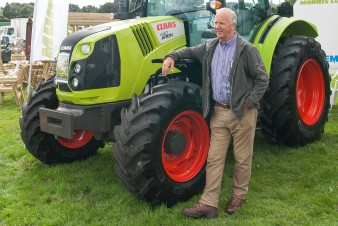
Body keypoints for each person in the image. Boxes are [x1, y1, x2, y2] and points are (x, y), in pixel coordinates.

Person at [161, 8, 269, 218]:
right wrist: (170, 56)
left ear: (233, 25)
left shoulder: (246, 50)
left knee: (242, 159)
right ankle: (209, 204)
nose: (217, 27)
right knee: (214, 159)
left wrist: (249, 103)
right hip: (219, 113)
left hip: (242, 114)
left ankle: (239, 196)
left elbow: (262, 79)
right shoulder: (210, 47)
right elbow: (188, 51)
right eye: (215, 23)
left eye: (221, 23)